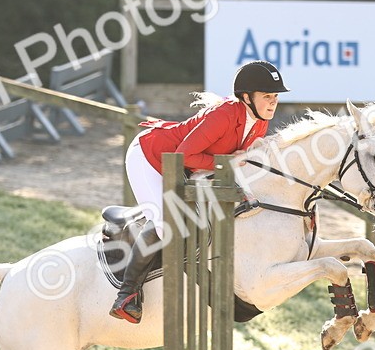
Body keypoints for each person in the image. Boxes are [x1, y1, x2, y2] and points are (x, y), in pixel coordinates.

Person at [109, 60, 290, 323]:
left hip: (186, 166)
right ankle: (126, 296)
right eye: (267, 96)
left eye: (274, 96)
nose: (273, 102)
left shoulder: (260, 121)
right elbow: (185, 155)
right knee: (166, 222)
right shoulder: (225, 114)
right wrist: (227, 162)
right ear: (246, 97)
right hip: (150, 157)